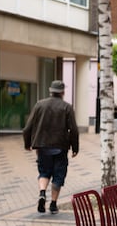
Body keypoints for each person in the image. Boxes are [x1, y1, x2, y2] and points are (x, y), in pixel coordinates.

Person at [22, 80, 79, 214]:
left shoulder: (39, 105)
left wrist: (27, 143)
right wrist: (75, 147)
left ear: (51, 91)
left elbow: (27, 128)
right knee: (58, 175)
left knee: (44, 172)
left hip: (42, 146)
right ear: (63, 93)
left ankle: (42, 193)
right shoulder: (67, 107)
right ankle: (53, 204)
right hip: (60, 146)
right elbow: (74, 130)